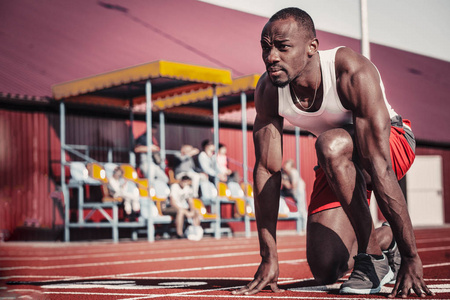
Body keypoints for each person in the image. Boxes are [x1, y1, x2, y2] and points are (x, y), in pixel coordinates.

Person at [233, 7, 433, 297]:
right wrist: (268, 256)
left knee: (328, 144)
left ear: (312, 47)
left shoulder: (350, 70)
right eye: (266, 48)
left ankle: (373, 260)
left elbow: (379, 165)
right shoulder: (268, 89)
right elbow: (267, 169)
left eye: (283, 47)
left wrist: (412, 256)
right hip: (337, 159)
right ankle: (384, 239)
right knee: (325, 267)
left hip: (392, 143)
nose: (271, 57)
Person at [282, 159, 307, 231]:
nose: (285, 167)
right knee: (278, 194)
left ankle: (304, 227)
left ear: (291, 167)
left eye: (286, 165)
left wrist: (285, 183)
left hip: (298, 191)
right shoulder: (283, 173)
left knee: (301, 209)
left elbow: (293, 186)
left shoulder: (294, 173)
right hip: (289, 191)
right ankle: (281, 209)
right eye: (284, 165)